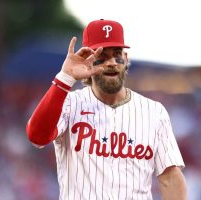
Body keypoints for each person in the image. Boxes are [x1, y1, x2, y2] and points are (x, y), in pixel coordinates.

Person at [26, 19, 187, 200]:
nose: (111, 62)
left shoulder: (154, 112)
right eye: (101, 55)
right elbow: (37, 137)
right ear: (88, 61)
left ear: (126, 59)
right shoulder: (69, 104)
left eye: (117, 53)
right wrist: (64, 78)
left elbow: (170, 178)